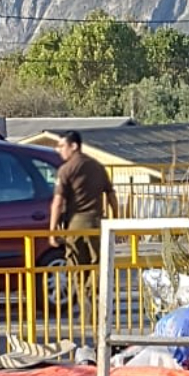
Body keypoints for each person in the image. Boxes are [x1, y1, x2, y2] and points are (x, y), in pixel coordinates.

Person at [49, 131, 117, 324]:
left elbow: (57, 202)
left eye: (62, 146)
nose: (59, 150)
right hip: (98, 225)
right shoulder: (97, 167)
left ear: (74, 146)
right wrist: (116, 221)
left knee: (78, 271)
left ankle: (88, 318)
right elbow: (111, 196)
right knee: (98, 267)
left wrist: (53, 231)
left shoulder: (66, 170)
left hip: (76, 226)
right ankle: (99, 315)